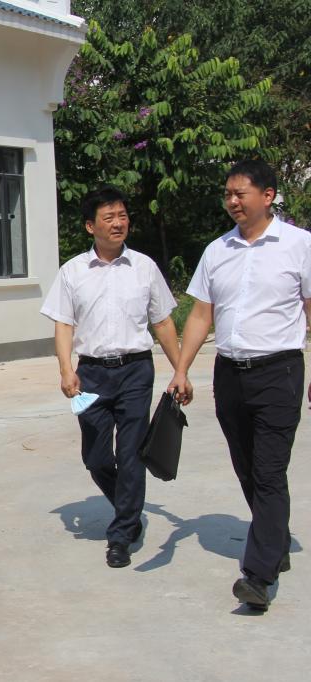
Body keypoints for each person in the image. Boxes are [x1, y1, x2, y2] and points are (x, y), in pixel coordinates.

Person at [168, 160, 310, 611]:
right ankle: (275, 541)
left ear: (267, 196)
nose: (232, 201)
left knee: (269, 472)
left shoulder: (300, 245)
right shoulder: (217, 250)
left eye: (240, 193)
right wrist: (181, 369)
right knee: (247, 467)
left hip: (279, 372)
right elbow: (200, 315)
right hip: (229, 374)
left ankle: (258, 576)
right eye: (227, 193)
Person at [40, 186, 185, 569]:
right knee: (96, 457)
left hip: (136, 371)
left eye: (122, 216)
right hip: (90, 375)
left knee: (131, 453)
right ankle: (129, 506)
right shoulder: (72, 271)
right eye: (109, 217)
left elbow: (163, 322)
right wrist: (66, 369)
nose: (118, 223)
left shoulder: (144, 267)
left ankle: (121, 534)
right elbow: (63, 324)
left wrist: (180, 370)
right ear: (91, 226)